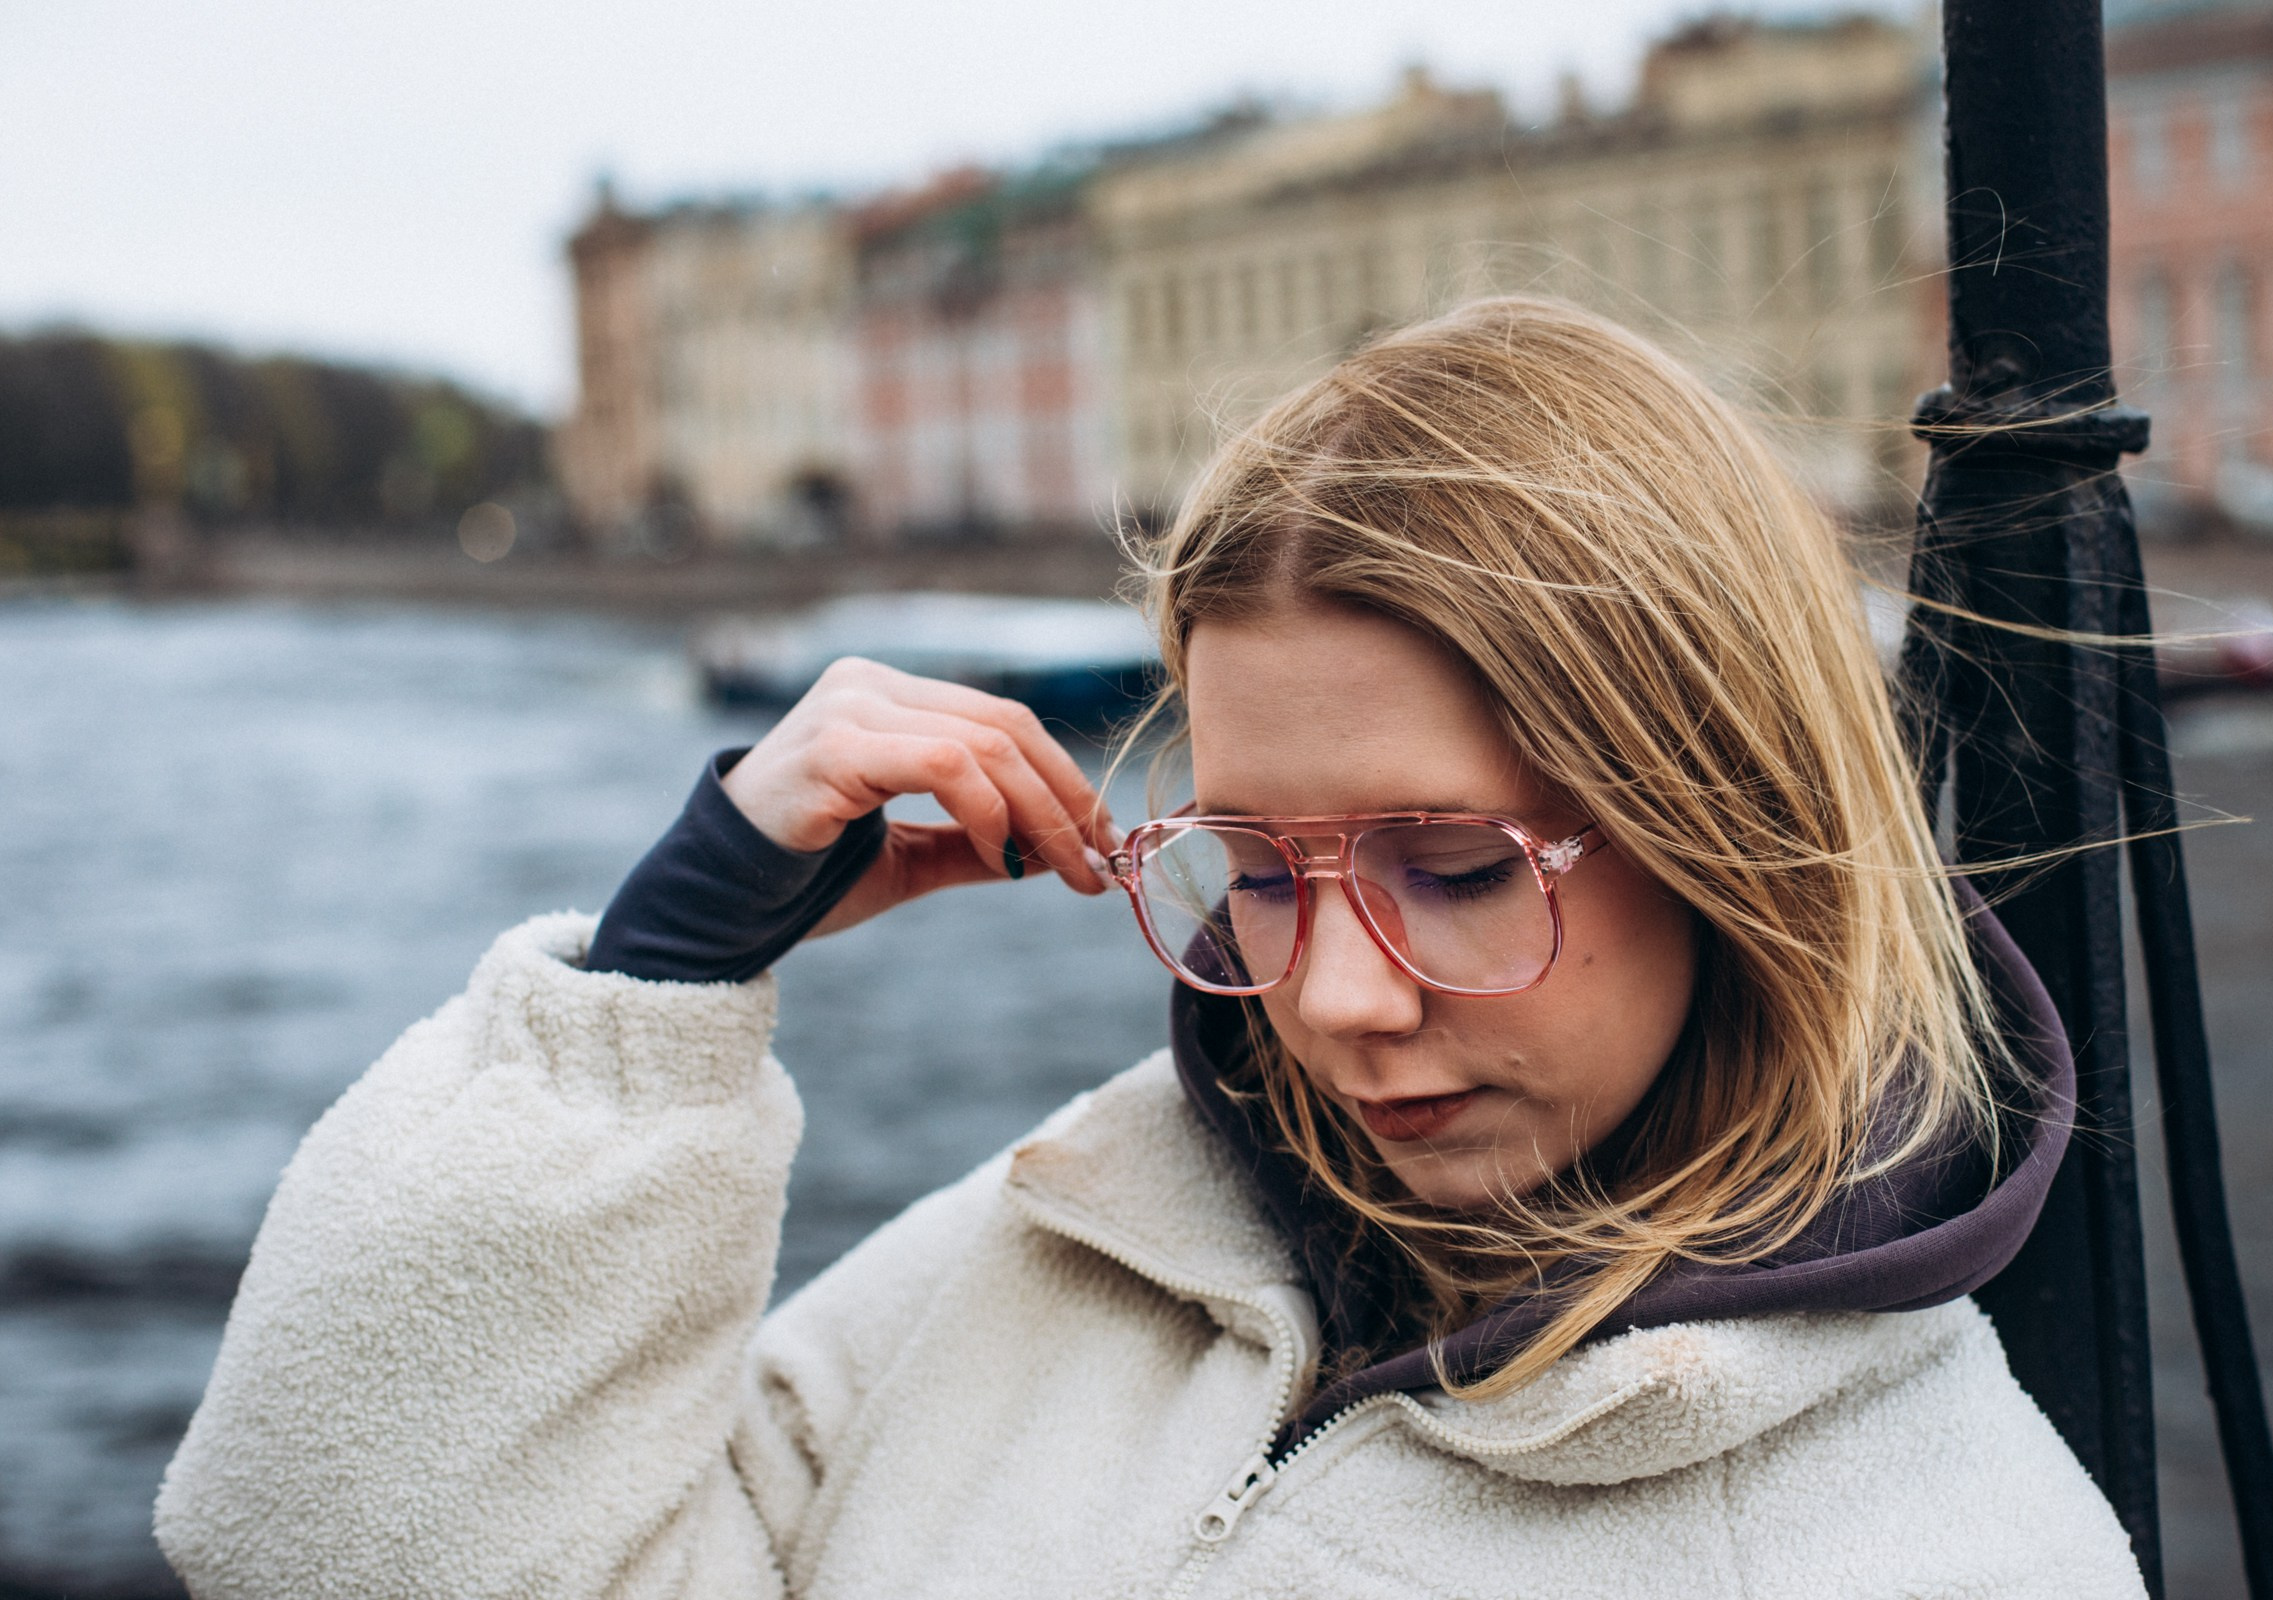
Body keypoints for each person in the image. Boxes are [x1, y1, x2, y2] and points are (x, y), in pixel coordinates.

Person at [156, 299, 2142, 1597]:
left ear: (1733, 824)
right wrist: (650, 994)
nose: (1335, 1000)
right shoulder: (1085, 1231)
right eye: (1258, 868)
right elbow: (322, 1544)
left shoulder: (1935, 1547)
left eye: (1455, 866)